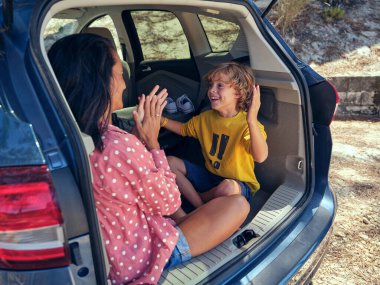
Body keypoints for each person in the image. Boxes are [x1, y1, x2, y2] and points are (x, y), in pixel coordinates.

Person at [48, 34, 249, 285]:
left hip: (114, 252)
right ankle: (191, 224)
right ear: (102, 82)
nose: (124, 84)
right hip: (146, 255)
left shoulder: (59, 135)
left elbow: (123, 180)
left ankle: (194, 215)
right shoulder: (117, 145)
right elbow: (168, 201)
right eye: (120, 74)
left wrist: (136, 140)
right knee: (238, 205)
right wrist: (152, 144)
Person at [161, 62, 268, 210]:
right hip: (210, 176)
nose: (211, 90)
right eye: (211, 85)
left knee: (228, 188)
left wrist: (251, 119)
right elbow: (184, 129)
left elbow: (260, 157)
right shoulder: (206, 118)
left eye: (220, 86)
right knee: (170, 162)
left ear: (238, 93)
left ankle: (198, 200)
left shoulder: (247, 124)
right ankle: (200, 205)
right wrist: (161, 120)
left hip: (239, 184)